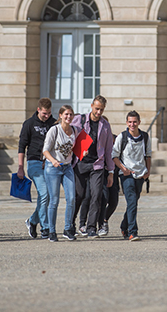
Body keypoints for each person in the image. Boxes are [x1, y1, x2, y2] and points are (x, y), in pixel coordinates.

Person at [70, 95, 114, 239]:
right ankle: (70, 225)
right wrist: (78, 148)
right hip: (80, 163)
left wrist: (111, 171)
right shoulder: (79, 120)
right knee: (79, 195)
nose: (99, 112)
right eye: (96, 109)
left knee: (96, 196)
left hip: (97, 165)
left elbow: (108, 149)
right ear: (91, 106)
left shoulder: (105, 125)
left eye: (101, 110)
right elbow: (67, 135)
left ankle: (91, 228)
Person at [17, 97, 57, 240]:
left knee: (46, 196)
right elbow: (22, 146)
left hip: (50, 163)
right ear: (38, 109)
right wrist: (20, 167)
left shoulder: (54, 123)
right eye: (44, 113)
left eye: (49, 113)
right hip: (34, 163)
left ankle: (33, 221)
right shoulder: (29, 124)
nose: (47, 116)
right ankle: (45, 228)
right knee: (45, 193)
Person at [112, 111, 152, 241]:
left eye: (134, 122)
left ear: (139, 122)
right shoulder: (122, 137)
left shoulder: (145, 137)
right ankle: (132, 232)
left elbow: (148, 155)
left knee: (132, 203)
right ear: (126, 123)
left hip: (140, 174)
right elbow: (114, 156)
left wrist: (148, 171)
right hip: (126, 174)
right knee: (132, 201)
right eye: (130, 122)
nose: (132, 124)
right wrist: (123, 169)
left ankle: (124, 226)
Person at [42, 105, 77, 242]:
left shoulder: (74, 130)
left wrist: (82, 152)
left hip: (67, 167)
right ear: (61, 115)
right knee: (54, 200)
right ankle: (51, 231)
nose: (69, 117)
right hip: (53, 167)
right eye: (66, 114)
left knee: (72, 198)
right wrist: (53, 161)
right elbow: (45, 150)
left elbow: (75, 147)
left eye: (71, 114)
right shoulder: (54, 130)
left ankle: (68, 229)